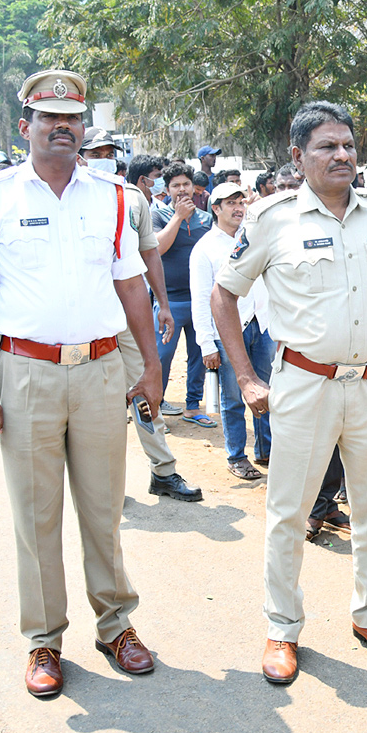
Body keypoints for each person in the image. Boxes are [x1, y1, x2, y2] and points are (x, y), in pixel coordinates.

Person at [0, 69, 163, 698]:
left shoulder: (115, 196)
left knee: (104, 509)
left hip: (101, 370)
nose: (63, 128)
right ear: (26, 127)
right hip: (26, 373)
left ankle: (116, 625)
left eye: (73, 119)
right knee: (36, 515)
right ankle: (43, 640)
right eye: (50, 119)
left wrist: (150, 366)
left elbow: (132, 287)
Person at [210, 100, 367, 684]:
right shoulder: (270, 218)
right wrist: (248, 378)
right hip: (304, 383)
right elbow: (224, 295)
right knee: (289, 510)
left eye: (348, 145)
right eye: (326, 146)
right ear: (297, 155)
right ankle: (282, 628)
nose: (341, 155)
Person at [108, 156, 202, 503]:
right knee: (102, 403)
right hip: (86, 323)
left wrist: (161, 303)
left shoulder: (129, 200)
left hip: (129, 316)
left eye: (107, 154)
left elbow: (149, 255)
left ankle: (162, 470)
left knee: (145, 390)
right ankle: (102, 480)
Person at [191, 181, 272, 479]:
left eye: (241, 202)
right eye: (231, 203)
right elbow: (201, 299)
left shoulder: (252, 239)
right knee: (234, 398)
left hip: (261, 326)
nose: (238, 208)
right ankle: (236, 455)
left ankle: (266, 450)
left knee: (266, 389)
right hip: (228, 332)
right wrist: (207, 344)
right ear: (216, 209)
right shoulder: (205, 249)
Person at [152, 161, 215, 422]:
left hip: (200, 300)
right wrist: (178, 217)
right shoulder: (159, 216)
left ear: (194, 187)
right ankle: (155, 409)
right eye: (175, 185)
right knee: (162, 357)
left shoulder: (207, 219)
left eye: (186, 184)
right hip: (169, 301)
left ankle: (192, 407)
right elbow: (157, 249)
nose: (182, 190)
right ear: (167, 189)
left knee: (199, 355)